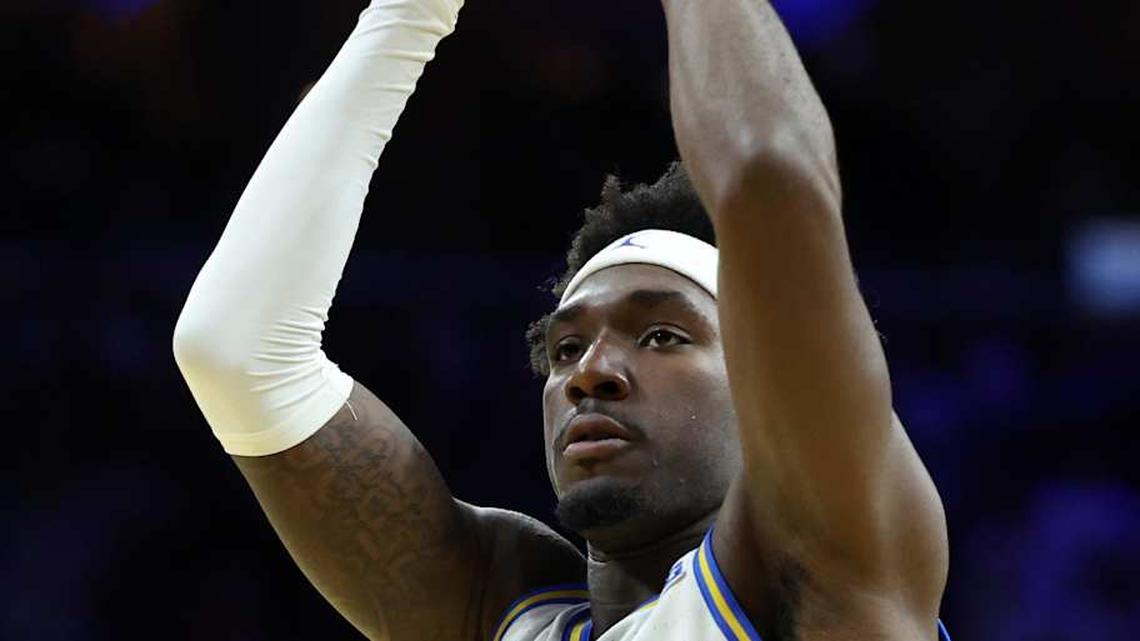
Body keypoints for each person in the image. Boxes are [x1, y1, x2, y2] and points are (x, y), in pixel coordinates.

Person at [172, 0, 951, 639]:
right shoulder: (501, 607)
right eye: (565, 346)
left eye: (662, 335)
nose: (590, 372)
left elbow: (768, 175)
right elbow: (236, 351)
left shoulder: (830, 563)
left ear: (761, 386)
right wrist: (410, 14)